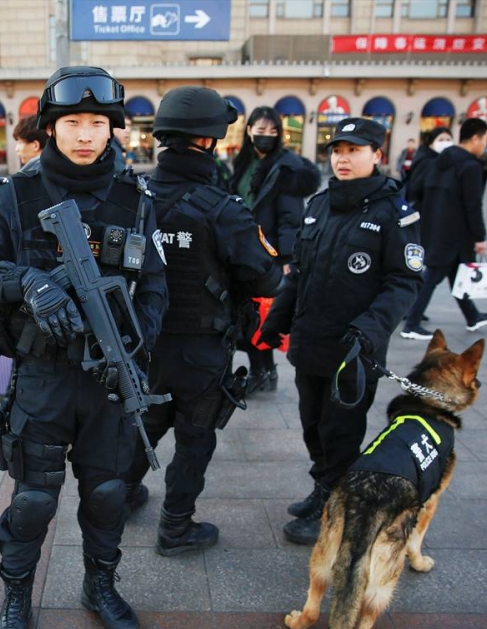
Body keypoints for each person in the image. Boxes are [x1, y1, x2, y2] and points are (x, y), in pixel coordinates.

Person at [0, 65, 167, 629]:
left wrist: (133, 344)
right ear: (50, 127)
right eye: (73, 122)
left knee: (107, 493)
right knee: (33, 500)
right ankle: (16, 597)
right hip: (42, 377)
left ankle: (100, 586)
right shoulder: (13, 195)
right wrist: (26, 283)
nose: (86, 134)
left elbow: (155, 285)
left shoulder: (136, 199)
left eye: (97, 122)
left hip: (109, 380)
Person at [120, 86, 285, 556]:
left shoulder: (132, 196)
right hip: (202, 346)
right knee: (195, 438)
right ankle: (175, 528)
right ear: (209, 140)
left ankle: (119, 496)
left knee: (147, 422)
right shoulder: (223, 208)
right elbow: (268, 278)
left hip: (144, 341)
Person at [259, 117, 424, 545]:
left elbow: (404, 282)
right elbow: (300, 273)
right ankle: (324, 486)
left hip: (355, 350)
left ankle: (336, 507)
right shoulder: (318, 205)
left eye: (354, 150)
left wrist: (370, 328)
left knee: (341, 431)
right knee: (312, 425)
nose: (343, 159)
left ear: (377, 155)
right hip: (311, 342)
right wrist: (277, 320)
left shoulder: (395, 213)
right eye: (337, 150)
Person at [229, 105, 321, 394]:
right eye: (261, 130)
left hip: (267, 252)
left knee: (258, 316)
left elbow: (290, 217)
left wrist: (286, 257)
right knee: (251, 315)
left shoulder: (286, 167)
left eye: (272, 131)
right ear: (249, 130)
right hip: (245, 248)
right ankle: (265, 371)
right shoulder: (244, 162)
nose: (266, 135)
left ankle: (262, 372)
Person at [0, 114, 50, 425]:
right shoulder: (17, 187)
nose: (16, 149)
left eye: (20, 142)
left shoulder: (25, 185)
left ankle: (6, 404)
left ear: (36, 145)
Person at [400, 117, 487, 340]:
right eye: (485, 139)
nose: (485, 144)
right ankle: (411, 324)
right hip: (456, 232)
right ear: (475, 138)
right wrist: (480, 237)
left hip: (436, 226)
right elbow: (473, 205)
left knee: (455, 274)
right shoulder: (470, 166)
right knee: (432, 277)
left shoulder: (440, 161)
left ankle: (472, 316)